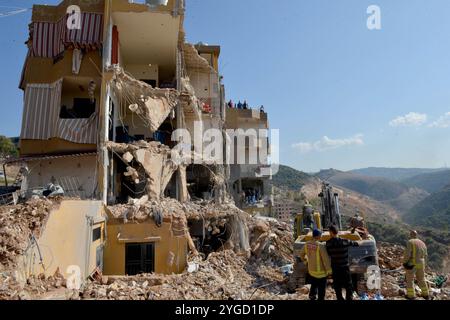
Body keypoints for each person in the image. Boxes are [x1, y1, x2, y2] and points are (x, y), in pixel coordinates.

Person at [326, 225, 359, 300]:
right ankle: (349, 298)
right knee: (348, 284)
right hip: (345, 267)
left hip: (335, 268)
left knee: (337, 286)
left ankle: (340, 298)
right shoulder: (345, 241)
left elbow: (328, 254)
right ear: (337, 232)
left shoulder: (328, 243)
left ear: (331, 232)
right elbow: (356, 244)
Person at [299, 229, 332, 300]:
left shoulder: (307, 244)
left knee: (313, 285)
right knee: (321, 289)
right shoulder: (320, 245)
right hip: (321, 272)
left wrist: (305, 262)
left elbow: (301, 254)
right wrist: (329, 271)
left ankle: (312, 296)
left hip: (312, 271)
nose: (321, 236)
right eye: (321, 235)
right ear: (318, 236)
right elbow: (325, 259)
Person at [403, 230, 429, 299]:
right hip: (421, 264)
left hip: (413, 263)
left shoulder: (410, 242)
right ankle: (426, 294)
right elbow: (426, 255)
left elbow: (407, 254)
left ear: (410, 235)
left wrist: (405, 262)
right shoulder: (422, 243)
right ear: (416, 235)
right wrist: (424, 264)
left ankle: (411, 295)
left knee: (410, 280)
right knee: (421, 279)